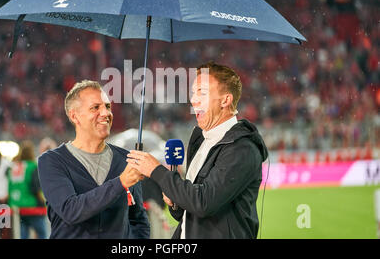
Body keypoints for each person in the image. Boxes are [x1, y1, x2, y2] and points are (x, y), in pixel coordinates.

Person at [127, 61, 269, 239]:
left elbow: (204, 202)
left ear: (226, 100)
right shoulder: (201, 141)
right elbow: (190, 214)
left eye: (202, 92)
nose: (193, 99)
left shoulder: (242, 148)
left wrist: (156, 171)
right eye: (193, 93)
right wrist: (176, 204)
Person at [37, 80, 150, 239]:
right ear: (74, 116)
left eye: (107, 106)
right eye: (95, 108)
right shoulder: (51, 161)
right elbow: (70, 211)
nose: (105, 113)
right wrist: (120, 182)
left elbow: (138, 219)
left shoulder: (127, 160)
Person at [8, 140, 47, 239]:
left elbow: (10, 186)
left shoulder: (14, 167)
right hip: (32, 206)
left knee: (23, 235)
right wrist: (44, 202)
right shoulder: (32, 166)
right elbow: (35, 188)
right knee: (42, 234)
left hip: (17, 207)